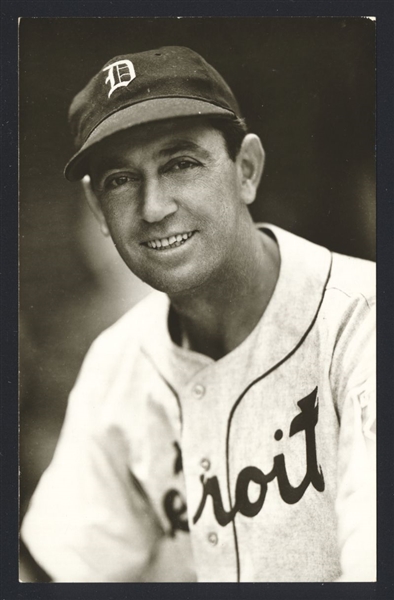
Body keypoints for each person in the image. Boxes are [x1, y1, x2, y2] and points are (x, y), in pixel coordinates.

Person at [21, 46, 376, 583]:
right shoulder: (118, 363)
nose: (154, 207)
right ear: (97, 209)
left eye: (181, 163)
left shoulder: (363, 322)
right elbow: (50, 571)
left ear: (247, 170)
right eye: (121, 179)